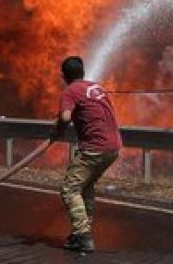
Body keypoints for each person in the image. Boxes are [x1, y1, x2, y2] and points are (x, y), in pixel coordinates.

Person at [51, 56, 121, 253]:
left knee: (70, 189)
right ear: (83, 72)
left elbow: (65, 117)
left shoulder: (70, 91)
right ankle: (81, 231)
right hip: (113, 147)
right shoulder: (97, 88)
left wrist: (58, 129)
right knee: (86, 186)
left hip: (94, 147)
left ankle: (82, 236)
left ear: (63, 76)